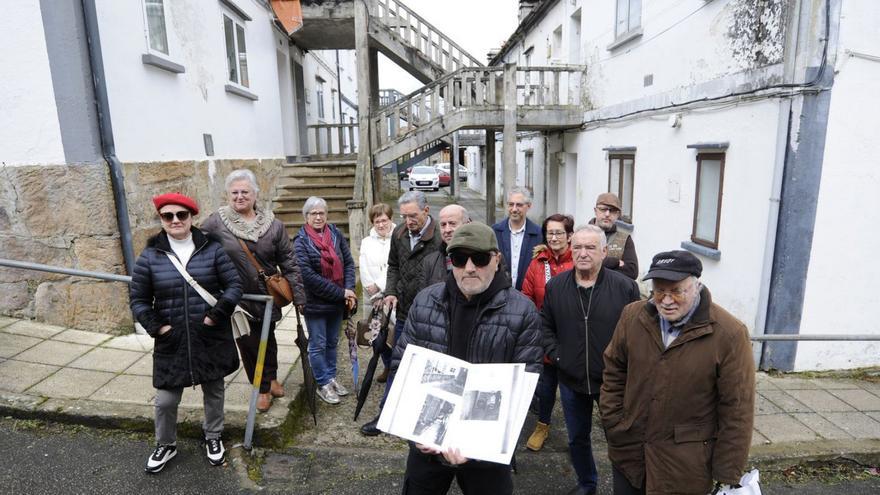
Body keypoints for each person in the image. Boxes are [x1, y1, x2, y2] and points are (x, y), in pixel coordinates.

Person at [392, 222, 543, 494]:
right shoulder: (426, 301)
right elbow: (402, 367)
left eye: (480, 258)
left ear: (496, 259)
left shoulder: (523, 312)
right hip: (427, 444)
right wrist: (413, 430)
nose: (470, 267)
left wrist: (477, 448)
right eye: (460, 259)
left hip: (485, 453)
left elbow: (525, 389)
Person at [600, 251, 756, 495]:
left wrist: (727, 473)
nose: (666, 300)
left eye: (676, 290)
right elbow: (614, 369)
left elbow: (737, 409)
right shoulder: (632, 316)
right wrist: (614, 421)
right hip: (629, 454)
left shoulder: (729, 334)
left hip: (684, 467)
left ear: (696, 286)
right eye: (659, 290)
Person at [130, 193, 242, 473]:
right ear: (161, 220)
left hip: (210, 333)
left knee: (214, 390)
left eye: (182, 215)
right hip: (172, 338)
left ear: (192, 217)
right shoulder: (151, 255)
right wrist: (158, 328)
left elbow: (233, 285)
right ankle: (166, 444)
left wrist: (217, 316)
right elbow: (139, 299)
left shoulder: (212, 249)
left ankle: (213, 437)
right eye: (168, 216)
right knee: (166, 399)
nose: (175, 220)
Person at [541, 225, 640, 495]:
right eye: (577, 248)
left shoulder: (625, 288)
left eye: (590, 248)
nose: (582, 253)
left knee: (619, 438)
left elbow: (640, 333)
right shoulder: (556, 287)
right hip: (571, 380)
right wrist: (559, 355)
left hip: (613, 382)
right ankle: (587, 483)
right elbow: (545, 327)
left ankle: (627, 485)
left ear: (604, 251)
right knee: (577, 439)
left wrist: (626, 366)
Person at [201, 169, 306, 413]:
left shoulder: (273, 225)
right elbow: (199, 248)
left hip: (268, 297)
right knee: (249, 345)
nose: (239, 196)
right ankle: (262, 388)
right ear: (227, 195)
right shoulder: (217, 222)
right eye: (234, 192)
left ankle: (271, 377)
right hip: (238, 300)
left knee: (267, 340)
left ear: (255, 194)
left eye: (244, 192)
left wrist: (299, 296)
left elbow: (289, 261)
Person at [361, 191, 442, 435]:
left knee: (432, 368)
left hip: (435, 315)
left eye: (413, 215)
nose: (408, 221)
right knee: (398, 363)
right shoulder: (399, 234)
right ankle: (386, 415)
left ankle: (429, 419)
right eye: (405, 216)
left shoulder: (440, 237)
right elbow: (394, 266)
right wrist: (392, 291)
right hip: (406, 311)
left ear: (426, 211)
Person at [293, 196, 356, 405]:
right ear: (306, 217)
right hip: (315, 303)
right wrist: (341, 293)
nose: (318, 217)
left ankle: (330, 377)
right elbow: (309, 277)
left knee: (332, 342)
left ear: (326, 215)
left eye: (321, 213)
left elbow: (348, 262)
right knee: (318, 344)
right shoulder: (300, 241)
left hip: (337, 302)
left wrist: (349, 288)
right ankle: (322, 383)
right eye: (313, 213)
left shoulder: (336, 234)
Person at [521, 214, 574, 452]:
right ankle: (542, 425)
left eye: (559, 233)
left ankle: (576, 433)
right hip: (546, 335)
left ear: (569, 235)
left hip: (573, 337)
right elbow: (527, 297)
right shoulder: (537, 263)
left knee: (572, 389)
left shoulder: (578, 260)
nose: (554, 237)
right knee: (545, 387)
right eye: (550, 233)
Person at [359, 203, 397, 382]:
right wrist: (371, 290)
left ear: (391, 219)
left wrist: (381, 287)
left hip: (392, 295)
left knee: (395, 333)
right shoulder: (367, 242)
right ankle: (387, 366)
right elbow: (364, 267)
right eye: (377, 221)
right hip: (373, 299)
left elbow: (395, 267)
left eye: (384, 220)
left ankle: (398, 368)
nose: (381, 225)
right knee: (377, 335)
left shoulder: (399, 237)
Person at [492, 187, 542, 291]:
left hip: (527, 296)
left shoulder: (539, 235)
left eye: (519, 205)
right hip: (498, 294)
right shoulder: (494, 232)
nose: (514, 209)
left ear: (528, 206)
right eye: (511, 204)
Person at [418, 204, 470, 287]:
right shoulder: (430, 262)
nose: (447, 230)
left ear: (467, 224)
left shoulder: (482, 259)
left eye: (452, 223)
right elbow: (423, 297)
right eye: (443, 225)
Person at [589, 193, 638, 280]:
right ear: (595, 211)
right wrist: (615, 262)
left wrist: (599, 264)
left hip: (614, 291)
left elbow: (632, 272)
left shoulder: (624, 238)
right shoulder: (581, 235)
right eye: (603, 209)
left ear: (617, 214)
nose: (607, 214)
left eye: (612, 211)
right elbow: (578, 265)